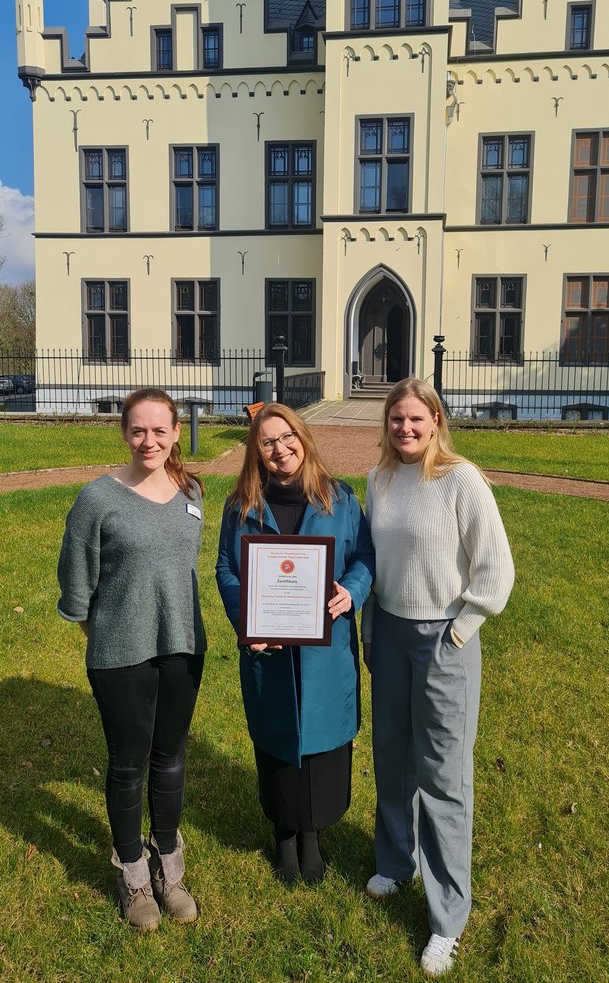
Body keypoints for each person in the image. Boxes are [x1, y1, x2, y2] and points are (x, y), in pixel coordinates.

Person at [362, 378, 515, 978]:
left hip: (444, 638)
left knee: (443, 776)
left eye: (416, 418)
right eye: (396, 418)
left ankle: (447, 918)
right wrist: (371, 628)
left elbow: (496, 567)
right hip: (389, 634)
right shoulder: (378, 480)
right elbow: (375, 564)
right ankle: (397, 862)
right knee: (392, 756)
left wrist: (462, 628)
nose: (405, 428)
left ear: (435, 422)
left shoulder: (461, 479)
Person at [57, 388, 206, 931]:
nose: (149, 440)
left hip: (183, 645)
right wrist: (104, 633)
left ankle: (169, 867)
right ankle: (133, 874)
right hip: (120, 653)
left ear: (175, 432)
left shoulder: (191, 491)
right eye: (138, 430)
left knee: (170, 758)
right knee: (128, 763)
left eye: (160, 430)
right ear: (124, 432)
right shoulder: (97, 499)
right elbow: (76, 579)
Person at [215, 404, 374, 885]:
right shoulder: (241, 505)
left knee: (324, 740)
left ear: (303, 439)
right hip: (269, 649)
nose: (280, 449)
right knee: (276, 738)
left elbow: (364, 556)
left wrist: (352, 591)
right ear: (256, 451)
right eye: (268, 442)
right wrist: (248, 621)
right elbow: (226, 568)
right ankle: (284, 835)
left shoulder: (340, 499)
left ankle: (312, 834)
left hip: (325, 648)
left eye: (288, 438)